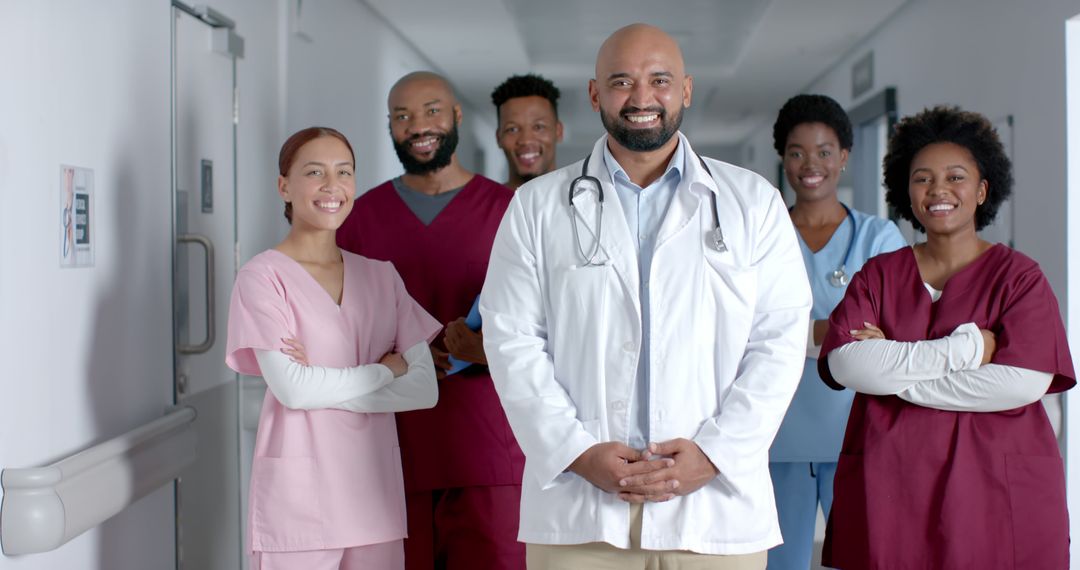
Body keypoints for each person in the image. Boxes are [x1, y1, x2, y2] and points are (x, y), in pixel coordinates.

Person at [480, 24, 812, 569]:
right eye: (621, 81)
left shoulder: (753, 203)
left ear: (685, 89)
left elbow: (779, 340)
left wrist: (716, 454)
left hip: (713, 506)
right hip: (581, 508)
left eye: (659, 80)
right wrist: (578, 452)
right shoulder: (537, 208)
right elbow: (511, 339)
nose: (641, 98)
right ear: (594, 95)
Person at [818, 106, 1075, 569]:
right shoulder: (879, 275)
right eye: (922, 178)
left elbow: (1021, 383)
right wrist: (968, 350)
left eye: (956, 177)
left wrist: (894, 374)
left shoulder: (1019, 278)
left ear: (981, 190)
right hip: (893, 486)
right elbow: (847, 364)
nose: (938, 190)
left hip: (993, 489)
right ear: (905, 191)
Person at [225, 127, 442, 570]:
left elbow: (424, 390)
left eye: (344, 172)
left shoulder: (382, 277)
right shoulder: (263, 278)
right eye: (314, 172)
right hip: (299, 503)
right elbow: (294, 392)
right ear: (284, 186)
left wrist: (322, 380)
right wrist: (383, 371)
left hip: (372, 494)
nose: (331, 186)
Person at [336, 72, 524, 569]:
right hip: (392, 447)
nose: (418, 126)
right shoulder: (360, 218)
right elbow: (336, 325)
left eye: (432, 111)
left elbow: (550, 324)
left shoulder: (511, 211)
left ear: (457, 116)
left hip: (487, 445)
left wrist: (483, 349)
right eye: (402, 116)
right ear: (391, 127)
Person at [766, 94, 906, 570]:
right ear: (783, 158)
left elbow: (895, 328)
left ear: (844, 157)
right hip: (777, 434)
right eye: (797, 151)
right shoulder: (761, 237)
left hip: (858, 431)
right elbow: (743, 330)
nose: (811, 164)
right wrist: (842, 333)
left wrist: (793, 334)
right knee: (780, 564)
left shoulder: (880, 238)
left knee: (866, 558)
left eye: (824, 151)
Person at [491, 73, 564, 190]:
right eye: (512, 129)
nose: (526, 140)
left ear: (558, 131)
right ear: (498, 137)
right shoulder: (484, 206)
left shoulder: (583, 202)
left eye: (538, 127)